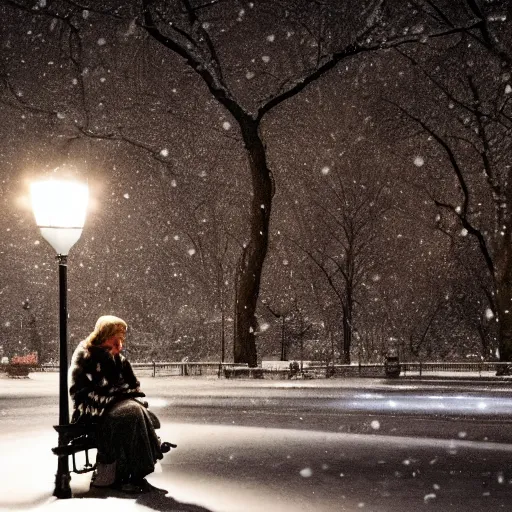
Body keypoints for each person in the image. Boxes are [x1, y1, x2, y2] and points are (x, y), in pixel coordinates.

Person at [69, 315, 164, 493]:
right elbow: (82, 392)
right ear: (106, 333)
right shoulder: (86, 354)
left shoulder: (115, 355)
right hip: (92, 411)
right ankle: (126, 475)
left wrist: (122, 393)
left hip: (113, 404)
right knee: (130, 413)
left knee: (136, 411)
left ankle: (136, 473)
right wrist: (117, 394)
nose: (121, 341)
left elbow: (131, 385)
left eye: (122, 336)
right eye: (118, 335)